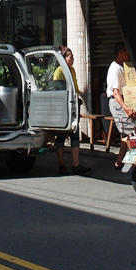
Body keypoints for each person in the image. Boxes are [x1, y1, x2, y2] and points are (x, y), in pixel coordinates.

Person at [53, 46, 91, 176]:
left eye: (73, 57)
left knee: (75, 135)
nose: (73, 60)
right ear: (64, 59)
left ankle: (76, 164)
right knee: (61, 136)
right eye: (71, 57)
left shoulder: (72, 70)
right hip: (63, 107)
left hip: (73, 106)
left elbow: (74, 88)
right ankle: (61, 164)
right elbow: (58, 91)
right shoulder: (59, 71)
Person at [106, 41, 136, 168]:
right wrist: (125, 107)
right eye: (126, 51)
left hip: (124, 101)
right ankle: (134, 161)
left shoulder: (123, 66)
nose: (129, 54)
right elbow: (115, 92)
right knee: (130, 132)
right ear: (120, 52)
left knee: (126, 133)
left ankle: (119, 162)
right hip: (118, 102)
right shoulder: (115, 68)